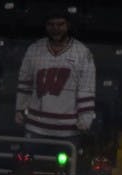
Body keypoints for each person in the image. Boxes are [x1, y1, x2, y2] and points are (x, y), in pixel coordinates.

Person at [15, 8, 96, 139]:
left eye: (60, 24)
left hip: (68, 130)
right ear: (46, 26)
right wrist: (20, 109)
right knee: (32, 160)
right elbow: (25, 82)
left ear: (68, 25)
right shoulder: (34, 49)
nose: (55, 29)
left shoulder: (82, 52)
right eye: (51, 25)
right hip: (35, 126)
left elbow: (86, 89)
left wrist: (85, 118)